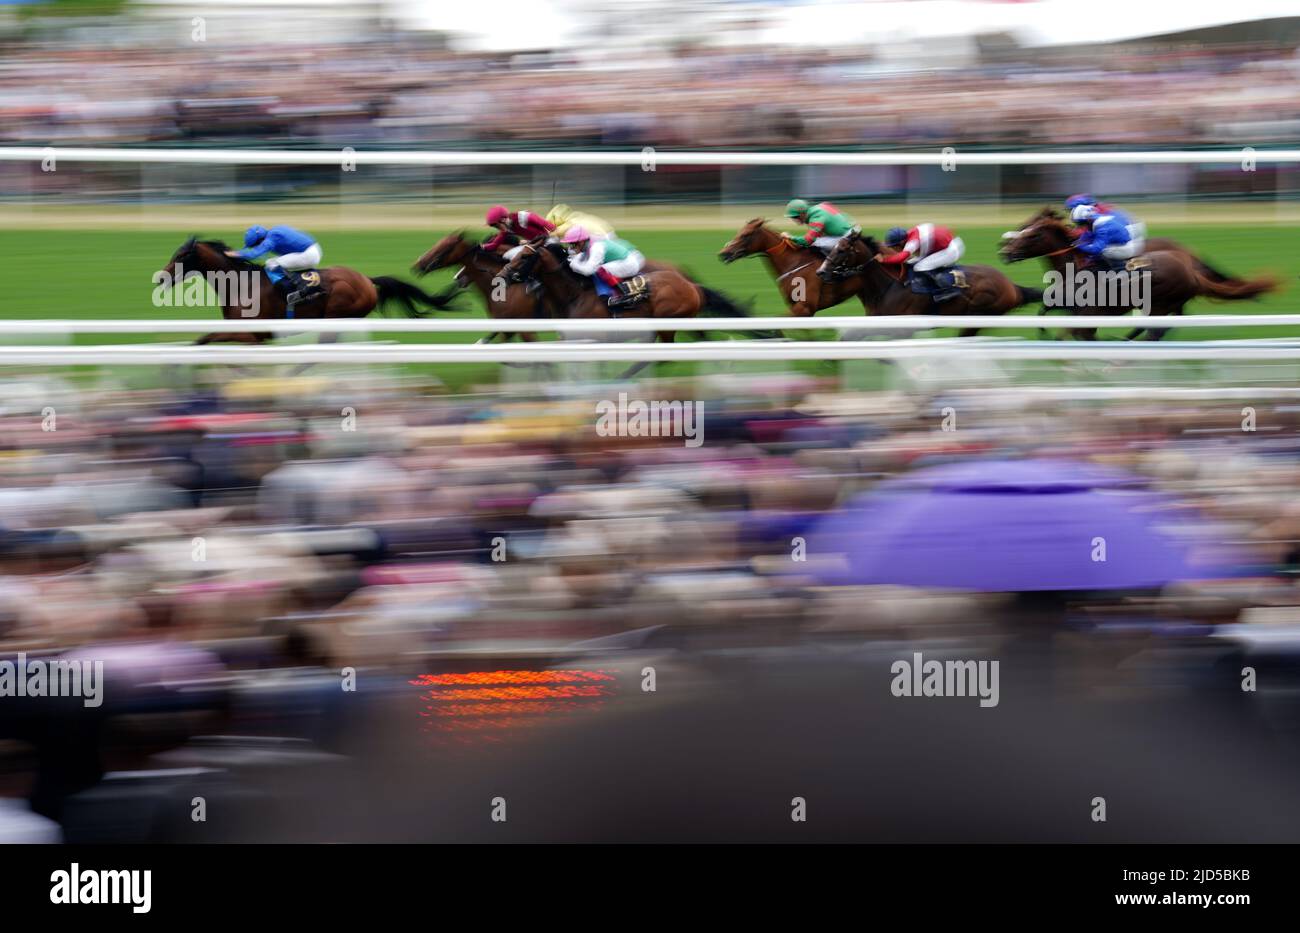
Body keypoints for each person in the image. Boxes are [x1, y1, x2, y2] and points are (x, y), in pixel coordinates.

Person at [237, 224, 324, 304]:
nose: (255, 247)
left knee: (271, 264)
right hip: (312, 250)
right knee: (275, 262)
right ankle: (298, 283)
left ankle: (296, 291)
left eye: (254, 245)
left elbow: (254, 254)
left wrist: (238, 254)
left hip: (309, 254)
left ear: (260, 240)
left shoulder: (272, 237)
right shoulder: (274, 232)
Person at [562, 226, 646, 307]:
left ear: (581, 242)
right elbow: (580, 257)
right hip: (625, 260)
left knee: (600, 269)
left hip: (630, 264)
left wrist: (574, 264)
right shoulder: (589, 243)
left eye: (573, 244)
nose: (571, 248)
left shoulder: (597, 247)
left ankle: (625, 294)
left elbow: (589, 270)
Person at [880, 223, 965, 301]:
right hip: (948, 244)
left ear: (901, 242)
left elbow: (901, 258)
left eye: (893, 247)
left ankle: (948, 290)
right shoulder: (910, 236)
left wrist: (883, 259)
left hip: (952, 250)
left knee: (920, 267)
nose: (893, 250)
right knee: (912, 262)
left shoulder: (913, 242)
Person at [1065, 194, 1146, 254]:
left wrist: (1080, 244)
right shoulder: (1092, 212)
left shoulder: (1098, 218)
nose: (1070, 212)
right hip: (1127, 230)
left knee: (1103, 252)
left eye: (1071, 209)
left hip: (1131, 233)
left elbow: (1095, 244)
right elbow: (1087, 233)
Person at [1069, 204, 1139, 272]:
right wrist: (1077, 242)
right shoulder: (1095, 221)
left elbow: (1096, 249)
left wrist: (1080, 245)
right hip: (1118, 244)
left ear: (1088, 220)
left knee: (1103, 252)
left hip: (1125, 248)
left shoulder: (1102, 227)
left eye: (1080, 223)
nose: (1079, 226)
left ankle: (1121, 270)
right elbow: (1087, 236)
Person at [783, 199, 857, 254]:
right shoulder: (819, 207)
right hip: (851, 230)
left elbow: (807, 241)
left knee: (815, 244)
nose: (794, 219)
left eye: (796, 217)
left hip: (846, 237)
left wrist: (790, 237)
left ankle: (829, 269)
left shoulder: (816, 218)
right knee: (819, 239)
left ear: (802, 213)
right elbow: (829, 205)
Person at [483, 205, 555, 259]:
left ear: (503, 220)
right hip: (533, 244)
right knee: (507, 256)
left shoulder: (525, 216)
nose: (497, 229)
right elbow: (495, 244)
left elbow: (549, 226)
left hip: (548, 240)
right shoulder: (507, 228)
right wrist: (481, 247)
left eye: (496, 226)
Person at [545, 203, 615, 241]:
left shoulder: (570, 222)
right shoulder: (576, 215)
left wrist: (545, 233)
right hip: (608, 232)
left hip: (601, 237)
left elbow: (557, 232)